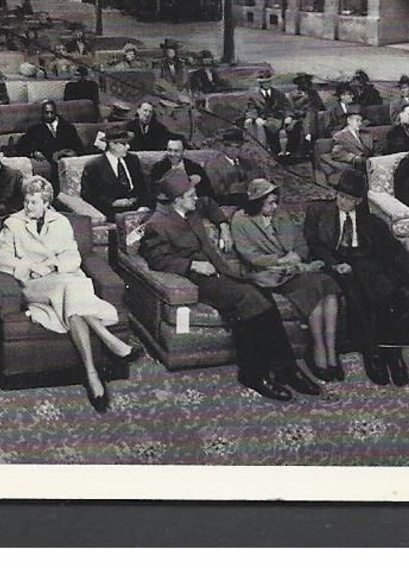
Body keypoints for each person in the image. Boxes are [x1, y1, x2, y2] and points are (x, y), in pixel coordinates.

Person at [139, 170, 320, 401]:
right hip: (198, 280)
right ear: (177, 200)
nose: (196, 198)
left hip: (221, 272)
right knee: (249, 298)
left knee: (262, 298)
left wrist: (223, 225)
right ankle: (256, 374)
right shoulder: (156, 224)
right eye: (191, 195)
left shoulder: (194, 207)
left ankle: (285, 369)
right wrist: (192, 265)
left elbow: (209, 204)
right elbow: (157, 259)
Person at [0, 176, 142, 413]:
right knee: (74, 288)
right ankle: (109, 340)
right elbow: (2, 259)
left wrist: (53, 265)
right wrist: (31, 266)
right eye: (27, 201)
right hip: (34, 285)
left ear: (46, 203)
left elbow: (73, 257)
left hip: (62, 281)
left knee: (73, 302)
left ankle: (91, 373)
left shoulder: (61, 222)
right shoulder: (13, 224)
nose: (28, 206)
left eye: (34, 202)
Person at [305, 167, 409, 386]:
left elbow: (391, 246)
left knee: (387, 293)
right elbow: (315, 244)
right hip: (339, 263)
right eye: (340, 196)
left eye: (348, 199)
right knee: (358, 297)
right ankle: (372, 354)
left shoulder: (370, 220)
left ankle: (392, 354)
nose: (342, 202)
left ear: (358, 201)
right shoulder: (320, 213)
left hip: (365, 261)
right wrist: (335, 264)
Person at [231, 179, 342, 382]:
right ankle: (318, 351)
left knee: (327, 284)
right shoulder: (240, 220)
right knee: (313, 290)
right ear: (256, 203)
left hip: (293, 269)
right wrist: (281, 260)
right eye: (269, 203)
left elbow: (300, 243)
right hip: (269, 274)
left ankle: (331, 351)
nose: (275, 207)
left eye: (275, 202)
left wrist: (297, 257)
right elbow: (250, 256)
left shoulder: (281, 214)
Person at [77, 131, 146, 219]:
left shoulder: (133, 160)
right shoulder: (94, 166)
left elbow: (143, 187)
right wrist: (112, 202)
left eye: (128, 143)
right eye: (124, 144)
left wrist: (144, 205)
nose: (128, 147)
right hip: (112, 212)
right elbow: (87, 194)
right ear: (112, 145)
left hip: (138, 209)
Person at [146, 136, 225, 207]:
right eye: (170, 150)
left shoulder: (194, 167)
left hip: (194, 205)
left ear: (183, 151)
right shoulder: (158, 168)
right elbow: (153, 194)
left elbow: (208, 192)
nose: (172, 154)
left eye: (176, 151)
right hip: (170, 206)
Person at [13, 101, 86, 166]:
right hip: (49, 159)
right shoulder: (34, 129)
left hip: (67, 160)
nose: (49, 115)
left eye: (52, 112)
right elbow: (23, 146)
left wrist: (72, 152)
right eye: (46, 113)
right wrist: (34, 153)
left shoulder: (68, 127)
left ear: (56, 112)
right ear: (42, 113)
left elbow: (79, 146)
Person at [247, 75, 300, 159]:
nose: (267, 84)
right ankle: (264, 154)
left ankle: (287, 152)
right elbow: (251, 109)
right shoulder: (254, 96)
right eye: (264, 82)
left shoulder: (278, 93)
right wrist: (255, 118)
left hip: (278, 119)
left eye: (268, 81)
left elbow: (286, 107)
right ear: (260, 83)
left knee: (294, 125)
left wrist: (288, 116)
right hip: (264, 119)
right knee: (261, 127)